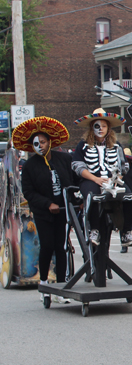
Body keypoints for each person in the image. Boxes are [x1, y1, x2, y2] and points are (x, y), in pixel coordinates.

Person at [13, 117, 75, 303]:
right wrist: (48, 204)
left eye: (42, 142)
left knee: (62, 247)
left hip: (63, 209)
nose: (39, 145)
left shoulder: (64, 158)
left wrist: (75, 199)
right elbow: (28, 192)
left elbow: (73, 180)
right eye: (36, 143)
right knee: (47, 246)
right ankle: (44, 284)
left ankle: (62, 285)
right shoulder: (30, 165)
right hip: (44, 213)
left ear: (50, 142)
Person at [71, 108, 132, 248]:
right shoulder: (82, 145)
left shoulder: (116, 146)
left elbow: (124, 165)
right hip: (91, 179)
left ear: (108, 128)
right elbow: (77, 166)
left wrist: (116, 179)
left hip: (112, 180)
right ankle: (94, 230)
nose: (100, 129)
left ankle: (126, 232)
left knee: (130, 196)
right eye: (97, 126)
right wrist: (94, 179)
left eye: (103, 126)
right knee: (92, 194)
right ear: (92, 127)